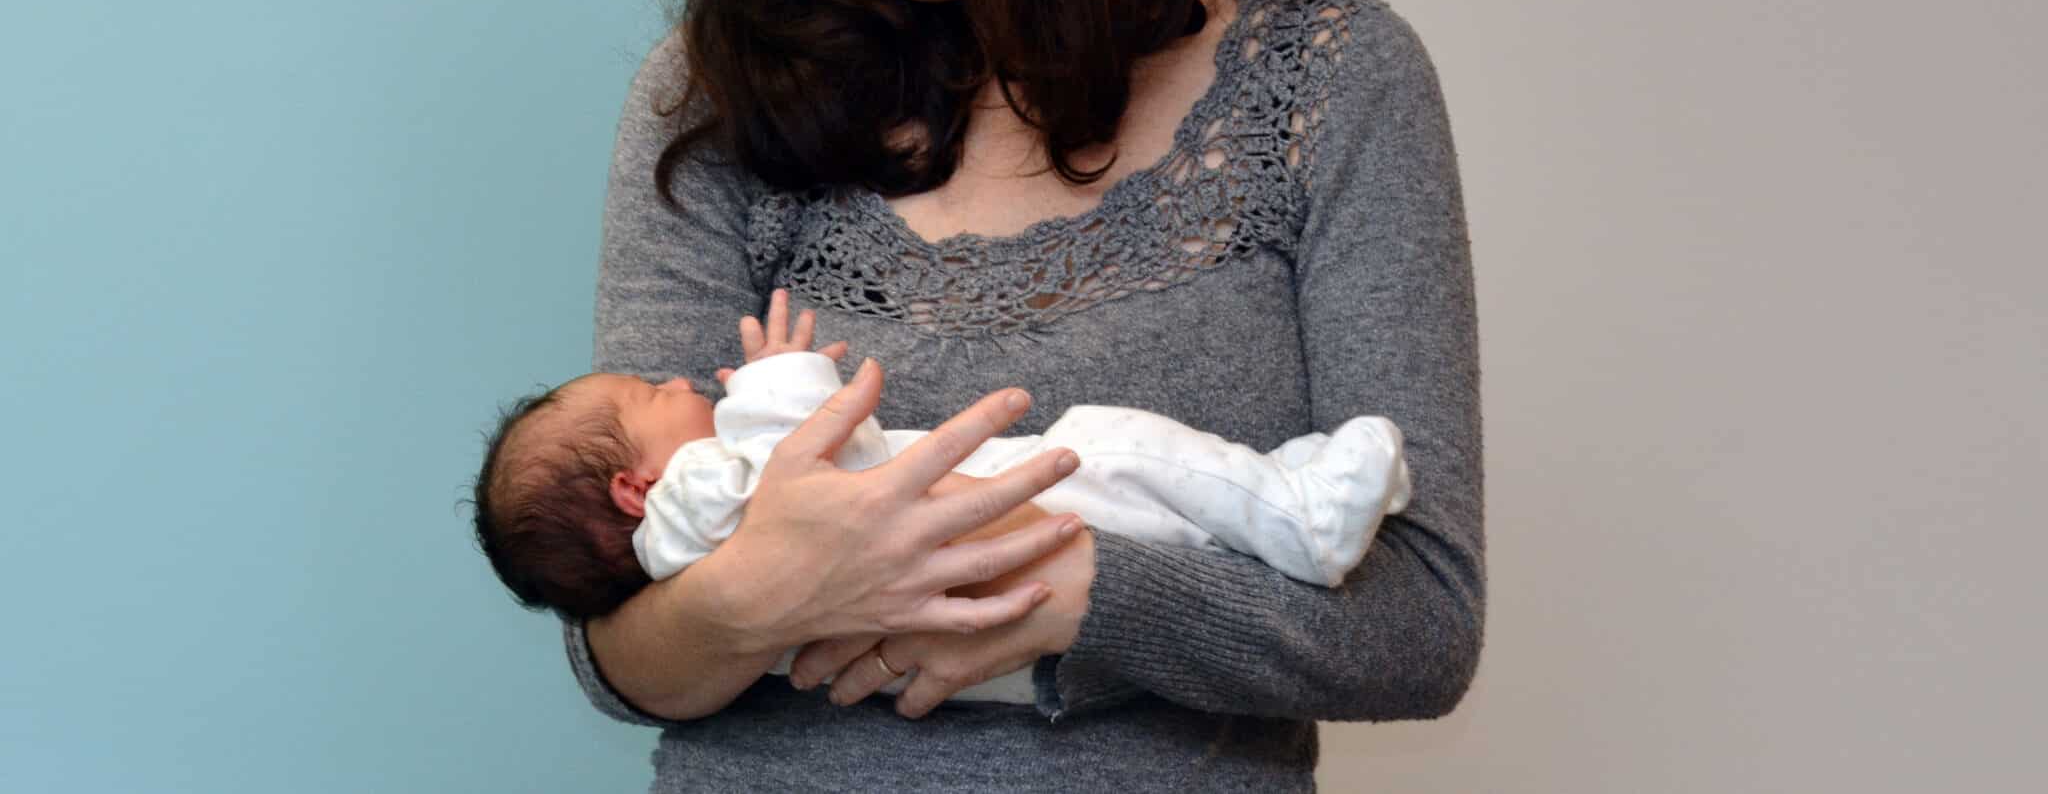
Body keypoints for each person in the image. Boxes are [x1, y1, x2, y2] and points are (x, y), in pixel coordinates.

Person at [562, 0, 1482, 793]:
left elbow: (1425, 626)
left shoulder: (1333, 86)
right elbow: (618, 641)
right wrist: (771, 590)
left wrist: (1066, 594)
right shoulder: (710, 103)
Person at [476, 291, 1415, 684]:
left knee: (1158, 499)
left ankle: (1278, 502)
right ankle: (1301, 517)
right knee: (1113, 446)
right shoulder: (690, 508)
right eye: (650, 395)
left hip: (970, 643)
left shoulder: (681, 548)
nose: (677, 382)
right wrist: (780, 376)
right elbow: (792, 460)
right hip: (1007, 523)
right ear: (637, 490)